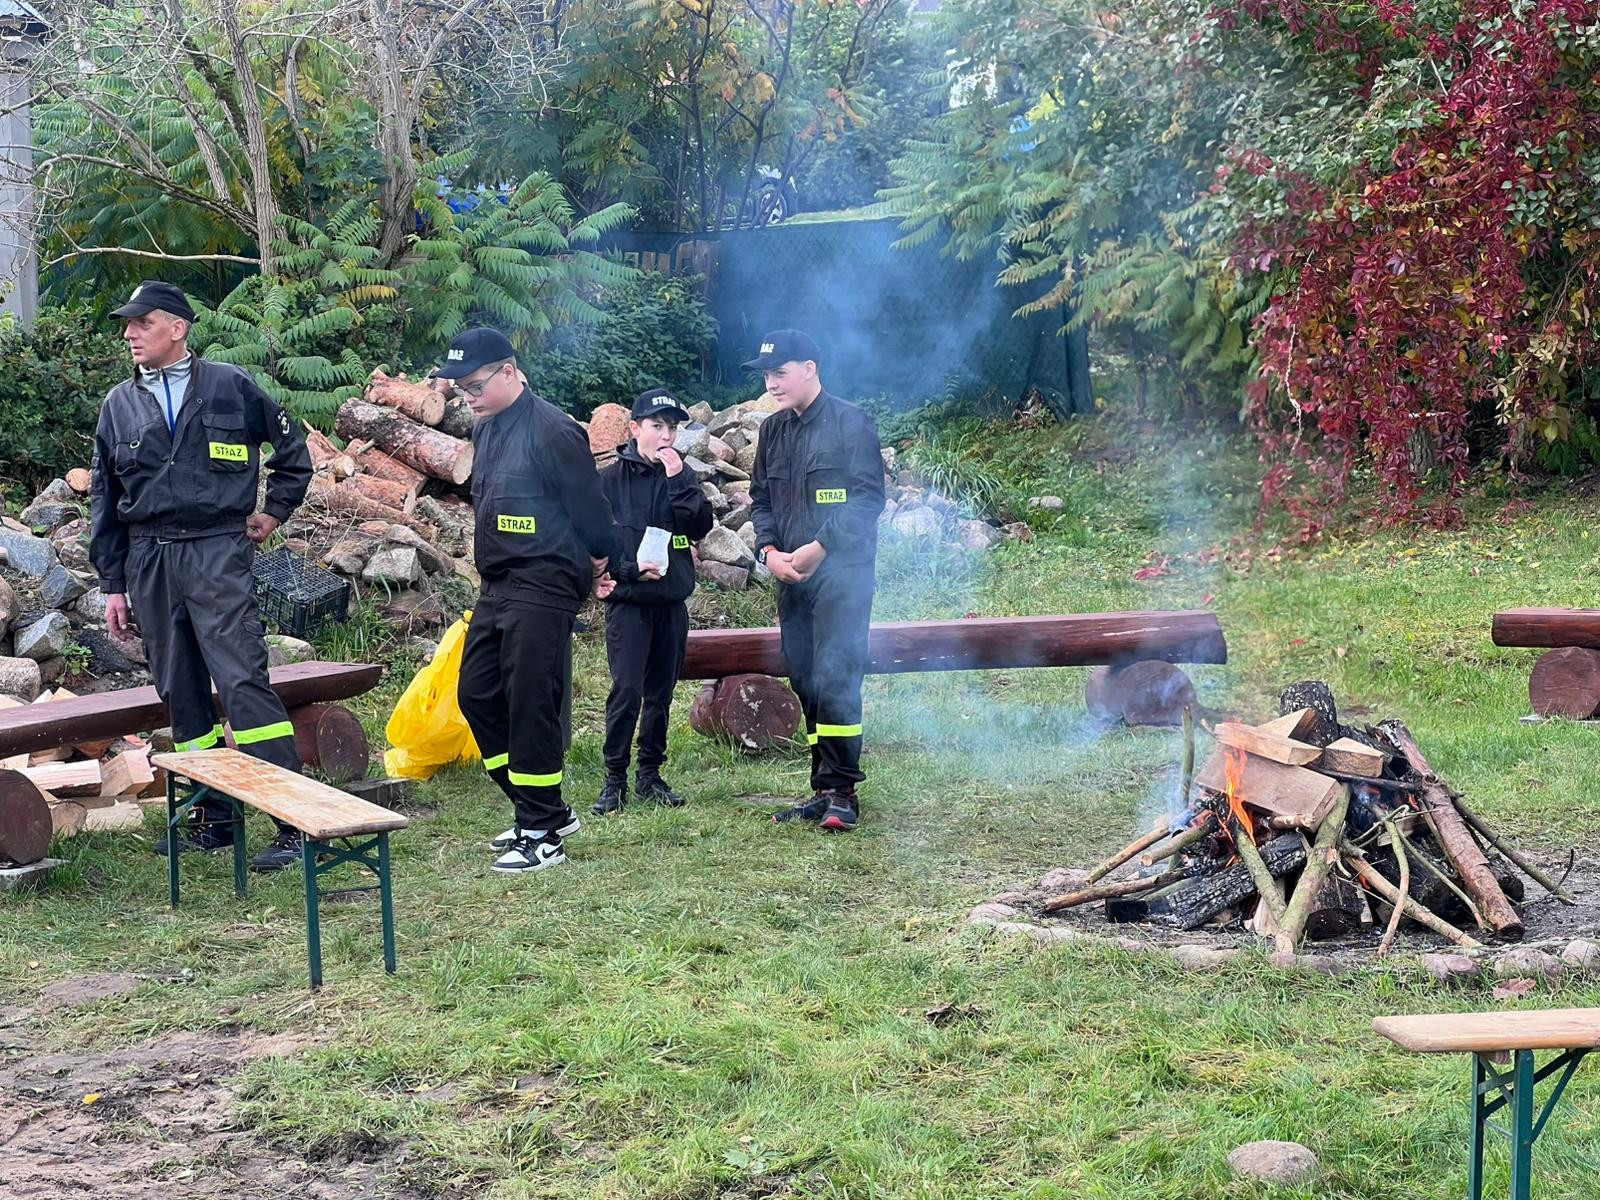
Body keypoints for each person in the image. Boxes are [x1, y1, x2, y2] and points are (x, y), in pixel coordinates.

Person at [89, 280, 314, 871]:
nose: (131, 334)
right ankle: (214, 818)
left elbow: (294, 454)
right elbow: (106, 504)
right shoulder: (118, 405)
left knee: (242, 681)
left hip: (217, 551)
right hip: (149, 560)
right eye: (128, 325)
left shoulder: (231, 387)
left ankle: (293, 821)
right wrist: (113, 583)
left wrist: (273, 512)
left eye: (142, 323)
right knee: (180, 690)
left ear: (178, 328)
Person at [435, 327, 620, 873]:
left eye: (475, 384)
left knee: (531, 704)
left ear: (510, 371)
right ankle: (541, 808)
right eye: (460, 388)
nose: (468, 396)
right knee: (477, 695)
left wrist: (600, 559)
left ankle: (542, 835)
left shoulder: (555, 431)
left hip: (544, 586)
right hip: (497, 585)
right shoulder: (488, 429)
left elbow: (590, 509)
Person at [747, 330, 885, 831]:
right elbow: (761, 499)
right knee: (804, 674)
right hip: (791, 576)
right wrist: (769, 552)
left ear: (809, 367)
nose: (771, 383)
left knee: (836, 674)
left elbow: (869, 499)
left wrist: (819, 547)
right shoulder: (772, 432)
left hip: (842, 572)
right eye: (766, 375)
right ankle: (822, 785)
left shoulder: (851, 422)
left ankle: (843, 791)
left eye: (779, 372)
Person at [593, 389, 715, 814]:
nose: (666, 436)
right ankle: (614, 779)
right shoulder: (608, 481)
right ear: (635, 429)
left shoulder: (681, 475)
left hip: (671, 602)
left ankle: (650, 775)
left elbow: (699, 525)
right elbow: (594, 544)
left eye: (673, 428)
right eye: (657, 426)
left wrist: (680, 478)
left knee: (660, 694)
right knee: (626, 690)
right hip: (628, 603)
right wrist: (626, 572)